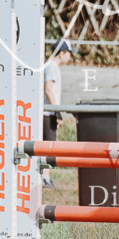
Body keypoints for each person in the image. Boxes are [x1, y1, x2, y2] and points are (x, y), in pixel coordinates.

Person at [42, 39, 76, 187]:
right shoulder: (51, 67)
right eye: (69, 53)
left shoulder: (53, 67)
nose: (70, 57)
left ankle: (45, 176)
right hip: (47, 113)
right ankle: (44, 177)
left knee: (49, 145)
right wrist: (57, 113)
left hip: (50, 111)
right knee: (48, 146)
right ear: (61, 53)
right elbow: (48, 90)